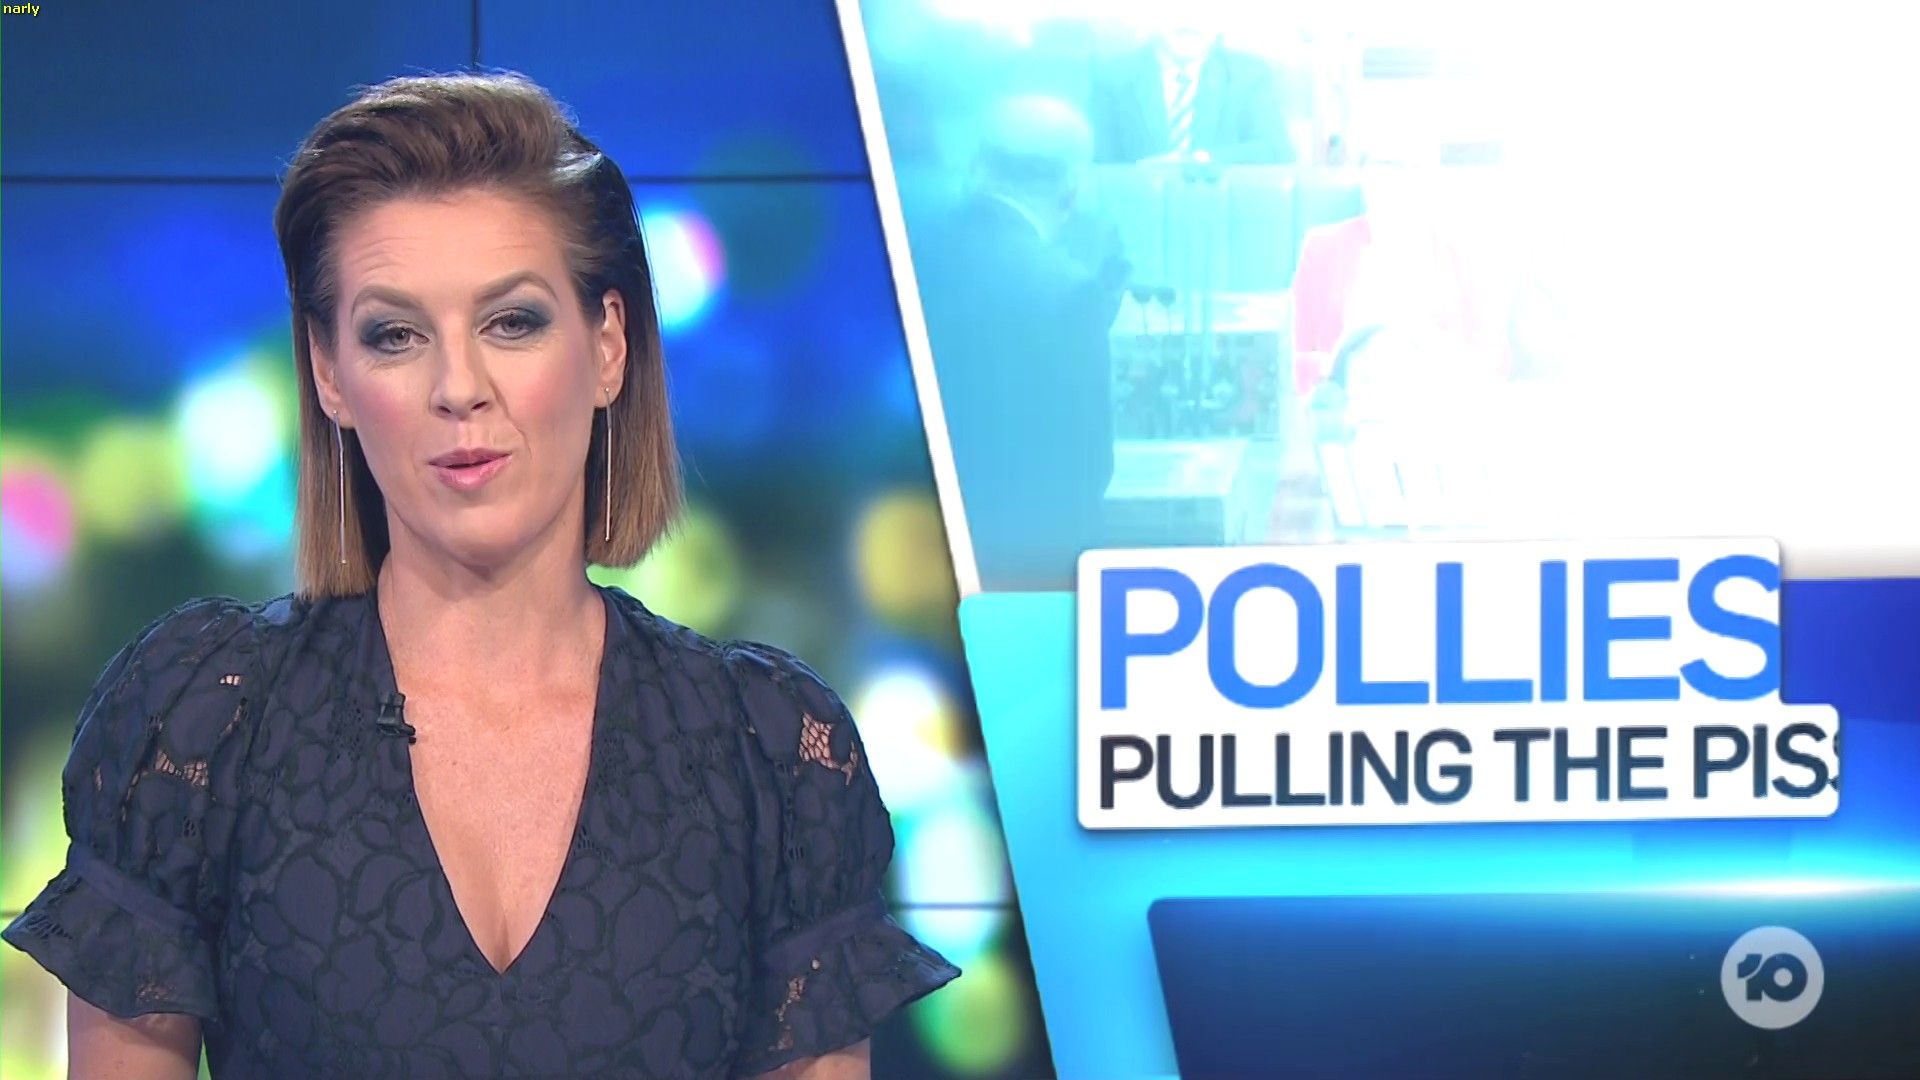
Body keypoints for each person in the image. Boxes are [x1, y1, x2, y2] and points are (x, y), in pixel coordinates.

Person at [1, 72, 957, 1080]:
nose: (459, 388)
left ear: (608, 345)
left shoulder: (769, 754)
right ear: (328, 373)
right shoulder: (203, 723)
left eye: (512, 322)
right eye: (396, 335)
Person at [913, 95, 1129, 591]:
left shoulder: (911, 252)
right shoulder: (1069, 291)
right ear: (1073, 185)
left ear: (977, 166)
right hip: (1024, 573)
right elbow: (1090, 467)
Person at [1088, 13, 1295, 165]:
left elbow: (1275, 151)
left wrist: (1200, 162)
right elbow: (1097, 166)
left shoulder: (1249, 75)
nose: (1187, 16)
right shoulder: (1114, 78)